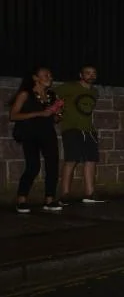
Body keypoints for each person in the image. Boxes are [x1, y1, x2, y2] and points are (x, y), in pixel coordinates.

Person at [9, 66, 63, 214]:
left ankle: (49, 199)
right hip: (29, 134)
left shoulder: (52, 95)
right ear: (35, 78)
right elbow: (13, 115)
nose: (49, 78)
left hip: (48, 133)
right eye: (45, 75)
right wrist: (39, 113)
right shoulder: (25, 94)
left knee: (52, 166)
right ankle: (21, 200)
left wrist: (58, 114)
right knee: (33, 166)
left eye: (50, 75)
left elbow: (55, 119)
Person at [56, 64, 103, 203]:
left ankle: (89, 194)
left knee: (91, 160)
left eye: (93, 73)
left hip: (89, 130)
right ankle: (65, 194)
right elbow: (52, 95)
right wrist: (58, 111)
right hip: (72, 128)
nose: (91, 75)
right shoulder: (70, 87)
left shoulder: (94, 92)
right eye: (87, 73)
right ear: (81, 75)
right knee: (71, 160)